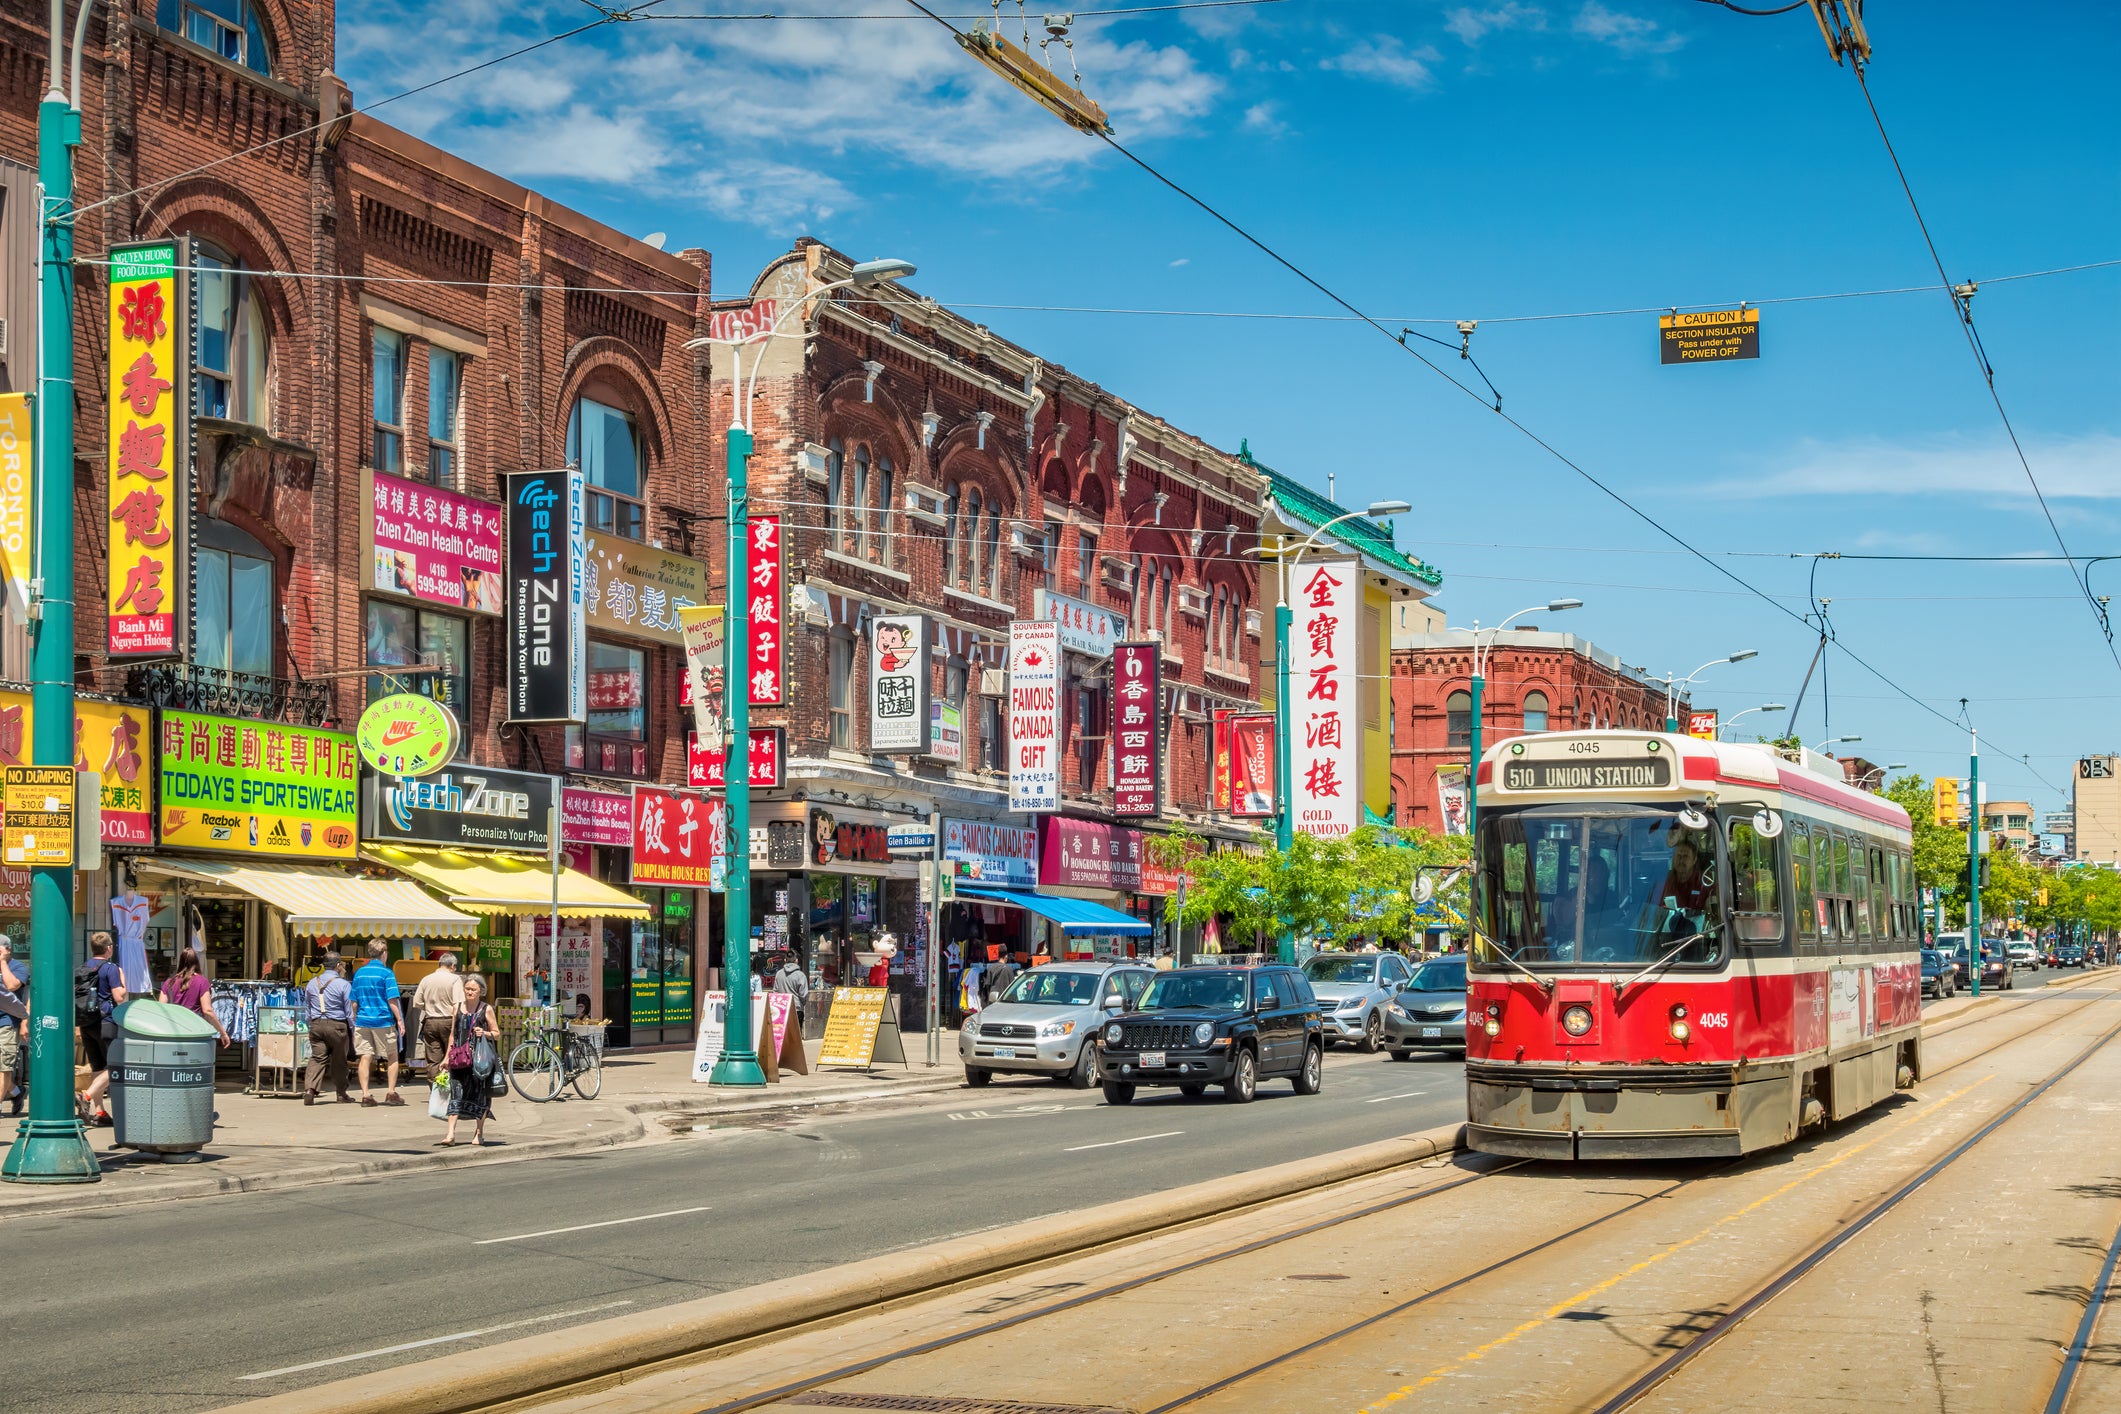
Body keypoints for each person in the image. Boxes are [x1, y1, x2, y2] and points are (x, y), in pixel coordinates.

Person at [441, 974, 501, 1147]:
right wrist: (446, 1057)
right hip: (459, 1058)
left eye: (473, 989)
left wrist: (485, 1033)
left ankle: (479, 1133)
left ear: (481, 991)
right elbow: (453, 1034)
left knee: (479, 1096)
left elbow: (497, 1034)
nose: (469, 992)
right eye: (467, 989)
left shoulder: (486, 1009)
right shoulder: (457, 1008)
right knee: (456, 1093)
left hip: (478, 1061)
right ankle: (451, 1134)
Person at [76, 932, 128, 1126]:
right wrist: (123, 980)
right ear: (108, 949)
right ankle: (86, 1096)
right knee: (114, 1065)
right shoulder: (110, 968)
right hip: (105, 1022)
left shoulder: (82, 967)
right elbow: (119, 997)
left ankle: (100, 1112)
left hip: (86, 1022)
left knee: (98, 1066)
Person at [351, 939, 407, 1106]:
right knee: (392, 1056)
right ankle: (391, 1092)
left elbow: (353, 1001)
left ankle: (366, 1095)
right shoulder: (387, 973)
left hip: (363, 1021)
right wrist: (399, 1020)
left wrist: (355, 1017)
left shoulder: (359, 973)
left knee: (365, 1057)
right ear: (384, 953)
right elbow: (392, 1000)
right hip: (383, 1021)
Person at [158, 948, 233, 1052]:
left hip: (172, 1033)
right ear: (197, 963)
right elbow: (207, 1011)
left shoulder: (169, 983)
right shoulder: (202, 982)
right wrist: (223, 1033)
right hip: (194, 1033)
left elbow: (161, 1010)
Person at [304, 951, 354, 1104]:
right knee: (339, 1061)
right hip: (337, 1026)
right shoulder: (344, 985)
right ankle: (341, 1093)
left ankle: (309, 1090)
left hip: (316, 1024)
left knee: (317, 1058)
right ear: (338, 965)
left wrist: (310, 1025)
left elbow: (307, 1009)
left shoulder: (312, 983)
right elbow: (349, 1011)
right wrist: (353, 1029)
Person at [411, 953, 465, 1076]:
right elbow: (459, 1004)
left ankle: (434, 1090)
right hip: (449, 1020)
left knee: (433, 1060)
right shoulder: (455, 979)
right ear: (452, 966)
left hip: (430, 1021)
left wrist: (430, 1007)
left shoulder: (426, 979)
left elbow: (417, 1002)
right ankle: (451, 1087)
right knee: (452, 1056)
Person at [0, 937, 27, 1117]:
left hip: (7, 1023)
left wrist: (2, 961)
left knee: (4, 1067)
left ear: (8, 949)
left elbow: (11, 986)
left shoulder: (19, 967)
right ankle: (17, 1093)